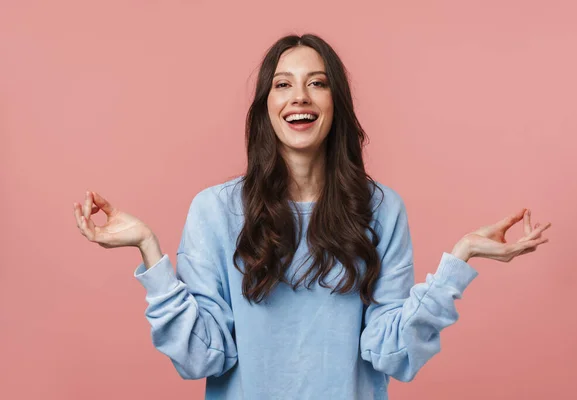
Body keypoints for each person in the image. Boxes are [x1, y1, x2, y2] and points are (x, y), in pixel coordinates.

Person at [73, 33, 551, 400]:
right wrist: (150, 252)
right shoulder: (215, 211)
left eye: (316, 83)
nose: (299, 96)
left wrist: (459, 260)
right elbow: (202, 357)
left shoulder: (381, 210)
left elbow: (392, 354)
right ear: (266, 107)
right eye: (283, 85)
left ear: (334, 104)